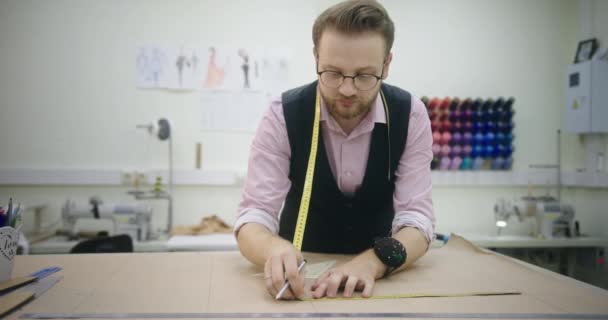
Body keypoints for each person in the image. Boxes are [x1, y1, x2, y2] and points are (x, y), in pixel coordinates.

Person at [234, 0, 435, 300]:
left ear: (387, 65)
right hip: (302, 274)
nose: (347, 89)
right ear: (315, 58)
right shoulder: (282, 115)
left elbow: (418, 221)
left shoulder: (411, 115)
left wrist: (372, 263)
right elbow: (254, 214)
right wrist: (273, 248)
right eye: (332, 72)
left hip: (380, 276)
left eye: (365, 75)